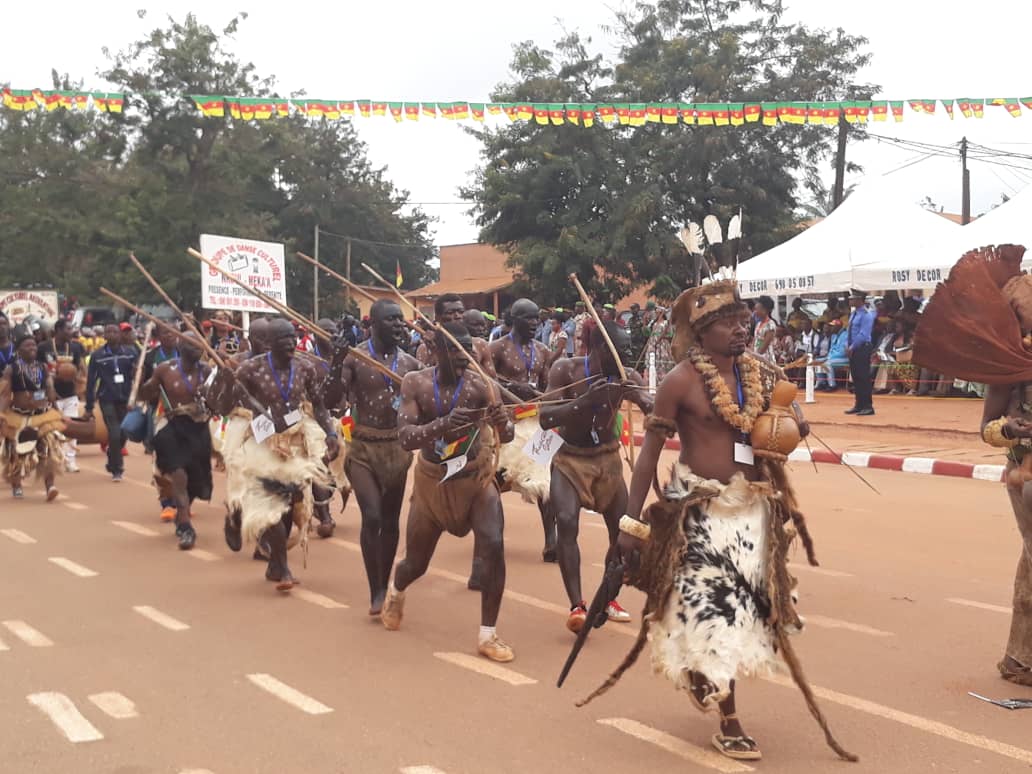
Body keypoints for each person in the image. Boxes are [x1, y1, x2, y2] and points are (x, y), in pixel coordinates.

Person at [614, 279, 837, 763]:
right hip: (699, 513)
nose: (742, 330)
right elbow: (649, 455)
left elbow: (791, 419)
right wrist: (629, 524)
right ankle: (730, 718)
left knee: (750, 613)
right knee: (719, 613)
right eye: (729, 323)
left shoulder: (759, 373)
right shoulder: (680, 382)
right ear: (702, 332)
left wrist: (794, 423)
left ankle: (705, 676)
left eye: (743, 321)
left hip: (753, 511)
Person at [912, 244, 1032, 688]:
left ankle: (1022, 659)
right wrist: (1013, 430)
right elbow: (987, 427)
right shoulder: (1013, 368)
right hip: (1027, 472)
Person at [381, 322, 516, 663]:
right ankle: (396, 591)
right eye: (456, 352)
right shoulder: (416, 383)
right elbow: (406, 437)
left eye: (468, 352)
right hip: (431, 484)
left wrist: (502, 421)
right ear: (437, 351)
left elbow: (509, 434)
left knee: (494, 543)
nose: (465, 359)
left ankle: (488, 634)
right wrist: (445, 423)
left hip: (476, 477)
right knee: (415, 564)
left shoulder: (483, 385)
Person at [539, 320, 653, 632]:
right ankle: (577, 605)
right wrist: (583, 402)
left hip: (607, 460)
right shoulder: (566, 370)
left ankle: (607, 597)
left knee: (624, 535)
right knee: (566, 521)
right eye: (618, 351)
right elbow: (544, 416)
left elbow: (646, 402)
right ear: (598, 348)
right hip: (569, 460)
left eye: (628, 352)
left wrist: (650, 406)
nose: (624, 360)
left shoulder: (625, 375)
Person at [211, 318, 340, 591]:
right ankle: (283, 568)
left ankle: (273, 562)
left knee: (290, 504)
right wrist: (224, 379)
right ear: (270, 343)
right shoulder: (250, 369)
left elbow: (318, 405)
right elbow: (223, 406)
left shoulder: (304, 368)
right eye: (285, 338)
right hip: (261, 442)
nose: (292, 343)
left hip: (293, 440)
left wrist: (329, 434)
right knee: (272, 504)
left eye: (293, 337)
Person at [327, 300, 421, 614]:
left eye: (401, 320)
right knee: (373, 516)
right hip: (362, 447)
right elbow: (331, 399)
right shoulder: (355, 358)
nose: (400, 325)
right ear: (374, 325)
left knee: (392, 521)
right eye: (392, 320)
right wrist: (336, 361)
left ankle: (386, 579)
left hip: (397, 449)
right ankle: (376, 590)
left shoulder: (410, 364)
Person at [137, 332, 213, 550]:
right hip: (172, 428)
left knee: (196, 482)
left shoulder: (207, 371)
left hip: (198, 429)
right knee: (179, 476)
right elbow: (146, 395)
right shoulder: (164, 369)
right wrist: (144, 384)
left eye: (201, 344)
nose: (198, 348)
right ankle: (186, 527)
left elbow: (219, 402)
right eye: (192, 344)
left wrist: (223, 382)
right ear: (181, 345)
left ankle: (183, 513)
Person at [0, 327, 64, 501]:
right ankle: (16, 483)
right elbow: (5, 394)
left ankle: (50, 485)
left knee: (48, 449)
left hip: (42, 415)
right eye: (28, 346)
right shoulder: (11, 369)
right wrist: (1, 413)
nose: (32, 349)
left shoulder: (42, 367)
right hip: (19, 416)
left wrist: (57, 408)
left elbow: (50, 391)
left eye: (34, 346)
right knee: (17, 454)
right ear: (19, 350)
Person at [85, 323, 139, 482]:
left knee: (124, 432)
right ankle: (117, 469)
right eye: (108, 331)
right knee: (114, 433)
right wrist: (89, 406)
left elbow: (136, 374)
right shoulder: (97, 355)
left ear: (120, 335)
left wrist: (137, 374)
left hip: (126, 398)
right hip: (106, 397)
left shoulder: (130, 353)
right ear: (104, 336)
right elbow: (91, 381)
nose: (112, 334)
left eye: (115, 331)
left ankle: (112, 454)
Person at [37, 319, 87, 473]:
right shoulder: (43, 347)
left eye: (71, 328)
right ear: (58, 330)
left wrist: (76, 378)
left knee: (71, 428)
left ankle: (70, 460)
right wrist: (52, 376)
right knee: (50, 430)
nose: (70, 331)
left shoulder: (75, 347)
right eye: (67, 328)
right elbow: (37, 369)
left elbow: (81, 368)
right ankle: (50, 459)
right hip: (49, 396)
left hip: (70, 394)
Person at [488, 298, 551, 400]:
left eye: (536, 318)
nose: (535, 322)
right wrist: (511, 387)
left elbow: (546, 386)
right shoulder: (497, 348)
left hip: (535, 410)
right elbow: (486, 381)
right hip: (506, 410)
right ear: (514, 320)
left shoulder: (542, 350)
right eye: (529, 318)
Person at [845, 289, 876, 416]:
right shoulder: (854, 314)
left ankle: (868, 406)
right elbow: (849, 331)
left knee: (863, 377)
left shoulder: (866, 315)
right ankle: (859, 404)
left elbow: (863, 334)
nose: (850, 300)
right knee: (856, 377)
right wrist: (847, 345)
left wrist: (852, 347)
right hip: (853, 348)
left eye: (853, 298)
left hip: (862, 347)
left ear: (859, 300)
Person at [751, 296, 776, 362]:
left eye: (757, 309)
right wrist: (751, 354)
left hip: (766, 359)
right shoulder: (758, 324)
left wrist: (754, 357)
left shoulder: (770, 325)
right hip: (756, 357)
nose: (755, 312)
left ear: (764, 310)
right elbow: (755, 340)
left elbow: (764, 347)